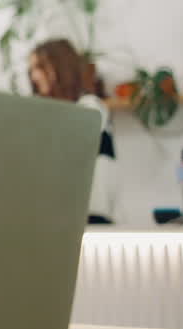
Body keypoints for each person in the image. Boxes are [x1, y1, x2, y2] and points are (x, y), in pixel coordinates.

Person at [27, 38, 118, 223]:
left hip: (94, 217)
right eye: (32, 70)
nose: (34, 76)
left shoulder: (91, 108)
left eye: (39, 67)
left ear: (60, 67)